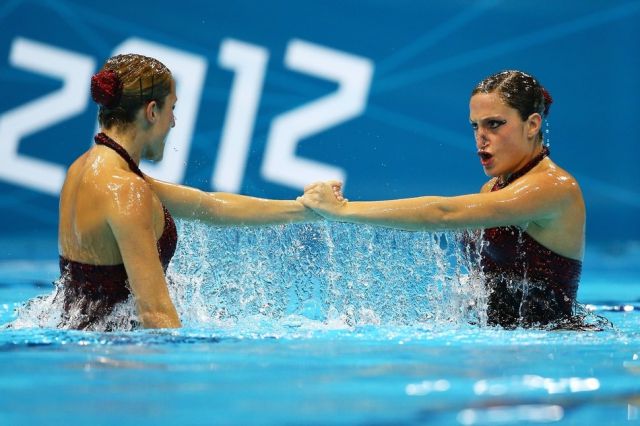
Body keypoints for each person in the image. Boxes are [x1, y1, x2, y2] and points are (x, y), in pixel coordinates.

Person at [57, 53, 332, 331]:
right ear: (152, 112)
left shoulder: (84, 170)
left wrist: (306, 208)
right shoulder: (127, 190)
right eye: (171, 109)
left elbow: (211, 206)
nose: (173, 122)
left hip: (85, 351)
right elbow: (155, 314)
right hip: (117, 363)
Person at [300, 70, 586, 329]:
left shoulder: (553, 187)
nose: (481, 138)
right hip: (502, 340)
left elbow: (442, 214)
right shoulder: (492, 189)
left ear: (532, 124)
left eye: (495, 124)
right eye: (475, 126)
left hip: (549, 343)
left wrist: (342, 209)